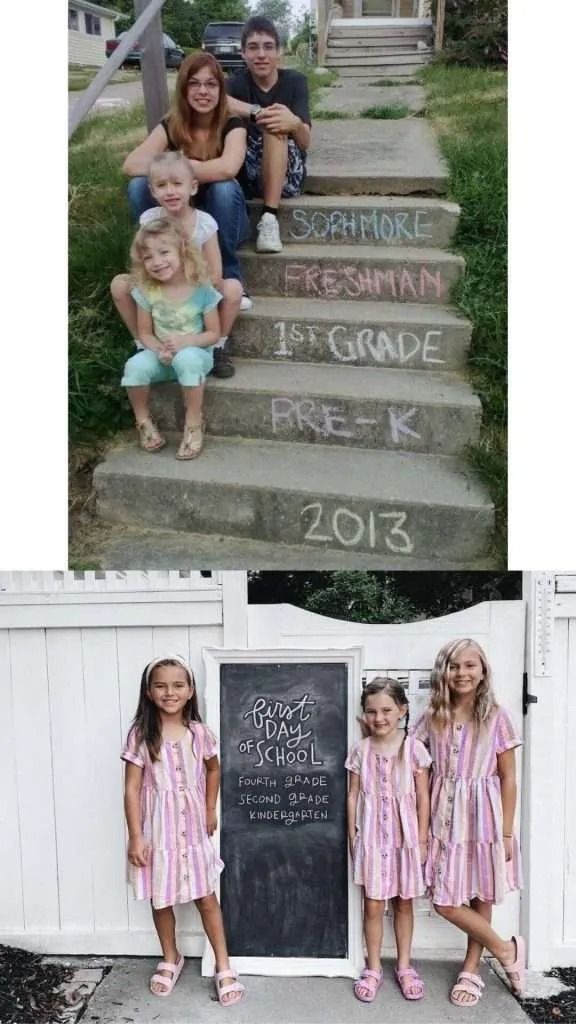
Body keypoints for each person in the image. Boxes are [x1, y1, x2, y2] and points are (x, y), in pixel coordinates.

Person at [121, 654, 245, 1005]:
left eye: (178, 685)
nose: (169, 692)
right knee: (161, 898)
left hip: (193, 829)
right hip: (156, 831)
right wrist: (135, 835)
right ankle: (170, 956)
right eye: (160, 685)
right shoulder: (141, 735)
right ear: (148, 692)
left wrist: (209, 807)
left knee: (206, 895)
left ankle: (223, 963)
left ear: (190, 691)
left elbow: (214, 770)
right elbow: (131, 788)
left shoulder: (200, 734)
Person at [413, 639, 525, 1007]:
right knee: (445, 901)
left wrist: (507, 832)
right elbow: (414, 766)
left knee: (481, 893)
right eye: (454, 666)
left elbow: (508, 777)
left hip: (485, 816)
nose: (462, 673)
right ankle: (506, 949)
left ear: (482, 670)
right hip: (444, 816)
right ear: (444, 671)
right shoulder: (432, 716)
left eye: (469, 666)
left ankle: (472, 969)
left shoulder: (496, 715)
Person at [122, 53, 252, 309]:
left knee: (223, 188)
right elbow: (131, 164)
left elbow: (228, 168)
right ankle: (160, 266)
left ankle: (229, 277)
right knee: (138, 185)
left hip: (225, 221)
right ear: (184, 88)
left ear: (220, 90)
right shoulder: (172, 124)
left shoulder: (232, 124)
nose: (203, 91)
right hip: (179, 220)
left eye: (211, 84)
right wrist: (181, 171)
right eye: (194, 83)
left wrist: (180, 168)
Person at [112, 151, 241, 377]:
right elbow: (142, 261)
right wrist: (157, 284)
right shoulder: (149, 219)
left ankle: (218, 345)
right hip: (158, 285)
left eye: (177, 184)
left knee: (233, 288)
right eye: (161, 185)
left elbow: (215, 272)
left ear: (192, 187)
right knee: (119, 285)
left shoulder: (205, 223)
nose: (170, 191)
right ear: (152, 191)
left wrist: (187, 289)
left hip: (195, 288)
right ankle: (142, 343)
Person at [346, 678, 430, 1003]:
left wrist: (421, 839)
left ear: (402, 711)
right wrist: (352, 835)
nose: (378, 718)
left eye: (386, 710)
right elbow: (353, 795)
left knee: (404, 902)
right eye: (371, 711)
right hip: (371, 839)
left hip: (404, 838)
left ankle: (405, 965)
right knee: (373, 904)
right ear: (364, 715)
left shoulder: (414, 749)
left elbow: (423, 797)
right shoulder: (361, 751)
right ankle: (374, 967)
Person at [121, 215, 220, 460]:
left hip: (196, 356)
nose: (157, 262)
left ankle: (194, 422)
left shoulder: (202, 289)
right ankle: (143, 420)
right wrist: (158, 350)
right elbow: (144, 332)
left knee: (186, 360)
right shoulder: (148, 291)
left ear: (182, 251)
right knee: (134, 367)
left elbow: (213, 333)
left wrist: (186, 342)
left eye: (164, 252)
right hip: (163, 356)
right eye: (148, 257)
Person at [226, 16, 311, 254]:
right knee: (270, 119)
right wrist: (256, 112)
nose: (261, 54)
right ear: (243, 53)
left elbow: (305, 142)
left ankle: (270, 219)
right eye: (253, 47)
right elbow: (215, 100)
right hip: (248, 172)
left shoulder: (296, 81)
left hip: (288, 176)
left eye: (268, 47)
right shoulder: (235, 83)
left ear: (279, 52)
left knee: (276, 124)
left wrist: (293, 123)